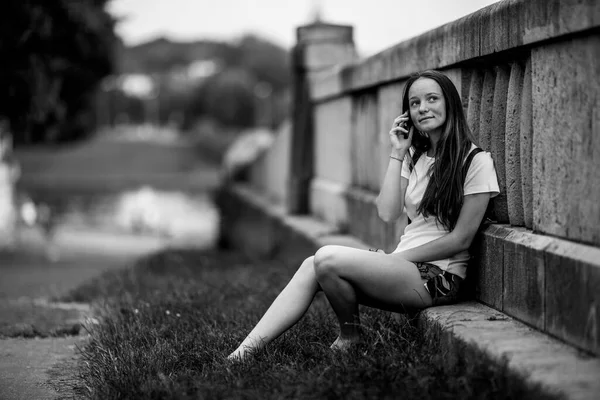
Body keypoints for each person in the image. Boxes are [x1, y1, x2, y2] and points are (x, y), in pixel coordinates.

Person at [228, 70, 499, 361]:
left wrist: (396, 260)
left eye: (432, 99)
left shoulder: (475, 161)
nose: (423, 108)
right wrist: (397, 153)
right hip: (405, 267)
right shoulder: (416, 157)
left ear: (450, 104)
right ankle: (243, 353)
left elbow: (461, 239)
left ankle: (350, 337)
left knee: (327, 259)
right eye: (415, 102)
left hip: (440, 278)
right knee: (313, 265)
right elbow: (388, 211)